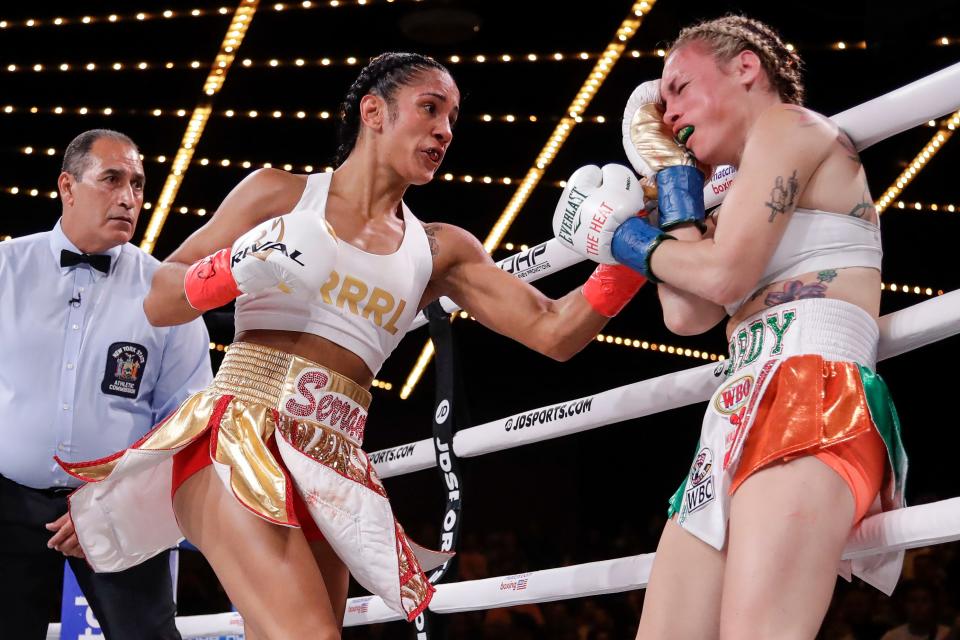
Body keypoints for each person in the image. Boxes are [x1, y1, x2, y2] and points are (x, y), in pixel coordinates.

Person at [57, 52, 649, 639]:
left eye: (452, 118)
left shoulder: (440, 249)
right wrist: (236, 268)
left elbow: (554, 330)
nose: (444, 130)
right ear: (374, 111)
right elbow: (161, 299)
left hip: (331, 464)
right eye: (429, 108)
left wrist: (632, 249)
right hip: (236, 438)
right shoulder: (280, 195)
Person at [553, 15, 907, 640]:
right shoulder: (732, 186)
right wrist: (675, 181)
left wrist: (622, 237)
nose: (668, 114)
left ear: (746, 67)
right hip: (737, 406)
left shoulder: (789, 126)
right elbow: (688, 314)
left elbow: (721, 277)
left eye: (680, 88)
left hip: (812, 390)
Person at [0, 129, 213, 639]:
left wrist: (122, 501)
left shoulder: (167, 292)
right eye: (112, 179)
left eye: (138, 184)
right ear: (68, 187)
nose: (128, 198)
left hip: (119, 507)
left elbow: (188, 419)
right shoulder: (5, 270)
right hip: (7, 502)